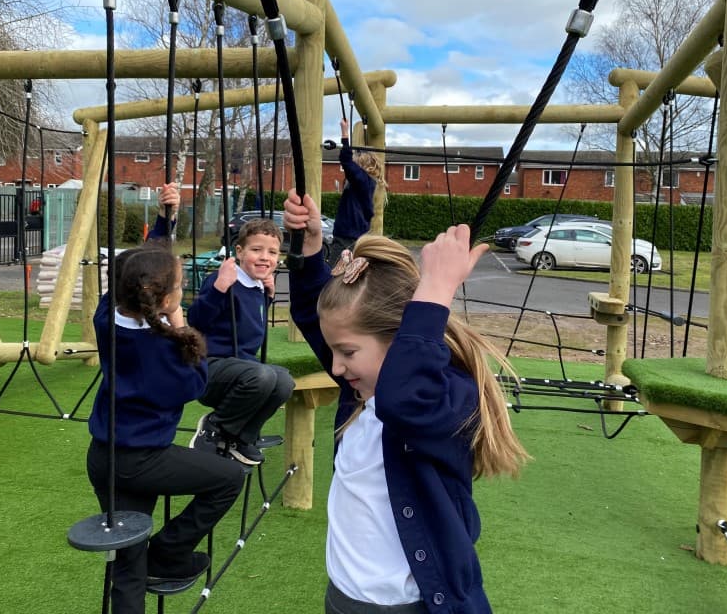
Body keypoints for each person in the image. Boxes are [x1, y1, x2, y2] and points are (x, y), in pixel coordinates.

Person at [283, 190, 529, 614]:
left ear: (401, 339)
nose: (337, 368)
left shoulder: (444, 397)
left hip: (411, 606)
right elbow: (315, 315)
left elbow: (405, 401)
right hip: (345, 599)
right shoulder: (363, 392)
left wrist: (435, 289)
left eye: (347, 353)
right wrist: (308, 251)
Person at [85, 206, 246, 614]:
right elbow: (197, 385)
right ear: (168, 298)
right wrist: (179, 322)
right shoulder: (168, 350)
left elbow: (138, 267)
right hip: (143, 460)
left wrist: (164, 219)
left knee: (127, 560)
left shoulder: (106, 318)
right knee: (228, 477)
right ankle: (169, 552)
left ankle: (151, 562)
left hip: (102, 458)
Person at [187, 218, 295, 466]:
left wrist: (267, 298)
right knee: (263, 376)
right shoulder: (224, 280)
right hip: (210, 369)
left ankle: (240, 438)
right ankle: (214, 428)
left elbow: (247, 324)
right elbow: (197, 320)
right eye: (256, 250)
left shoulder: (256, 286)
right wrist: (219, 287)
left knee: (284, 382)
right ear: (239, 251)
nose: (264, 257)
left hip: (242, 371)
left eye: (272, 252)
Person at [328, 117, 384, 266]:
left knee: (334, 274)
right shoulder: (366, 184)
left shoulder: (362, 180)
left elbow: (346, 161)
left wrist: (345, 134)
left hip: (347, 238)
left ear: (362, 165)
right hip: (353, 236)